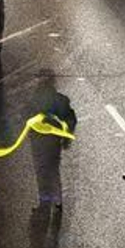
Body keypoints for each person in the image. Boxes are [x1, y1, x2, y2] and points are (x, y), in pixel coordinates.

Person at [27, 74, 76, 208]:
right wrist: (66, 138)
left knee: (40, 169)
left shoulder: (34, 100)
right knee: (53, 168)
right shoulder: (61, 100)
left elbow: (26, 118)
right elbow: (71, 120)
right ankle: (57, 199)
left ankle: (44, 198)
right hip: (54, 142)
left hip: (38, 141)